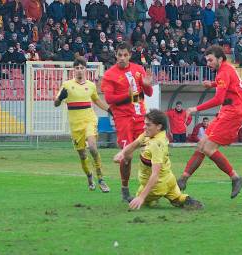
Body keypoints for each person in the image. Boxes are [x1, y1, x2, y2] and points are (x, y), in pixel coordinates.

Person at [176, 45, 242, 199]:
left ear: (220, 59)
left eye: (210, 60)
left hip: (233, 112)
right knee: (201, 145)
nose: (207, 63)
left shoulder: (223, 73)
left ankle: (236, 178)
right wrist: (213, 84)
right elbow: (233, 83)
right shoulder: (227, 69)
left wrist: (195, 108)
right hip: (228, 110)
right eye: (207, 60)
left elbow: (218, 99)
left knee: (208, 148)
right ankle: (182, 180)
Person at [113, 109, 203, 210]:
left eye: (148, 125)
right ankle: (183, 199)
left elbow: (155, 175)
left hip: (157, 185)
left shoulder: (156, 144)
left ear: (159, 126)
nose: (144, 127)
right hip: (169, 179)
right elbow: (134, 144)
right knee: (176, 197)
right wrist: (122, 153)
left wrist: (141, 197)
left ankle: (151, 199)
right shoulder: (152, 134)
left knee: (141, 200)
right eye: (145, 124)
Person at [101, 42, 153, 202]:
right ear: (115, 55)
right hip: (123, 118)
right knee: (127, 156)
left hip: (140, 116)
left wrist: (146, 85)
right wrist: (127, 96)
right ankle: (125, 189)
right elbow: (109, 99)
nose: (122, 58)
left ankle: (151, 188)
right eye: (119, 55)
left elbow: (148, 93)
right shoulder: (110, 74)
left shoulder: (138, 69)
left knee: (150, 151)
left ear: (130, 55)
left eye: (125, 55)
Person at [54, 57, 111, 193]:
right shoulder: (67, 85)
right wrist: (60, 98)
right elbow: (55, 103)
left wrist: (109, 110)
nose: (79, 70)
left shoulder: (91, 86)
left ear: (85, 70)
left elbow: (96, 100)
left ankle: (101, 179)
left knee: (92, 147)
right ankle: (89, 177)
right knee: (82, 155)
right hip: (75, 125)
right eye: (77, 68)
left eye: (82, 68)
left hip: (89, 120)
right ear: (74, 70)